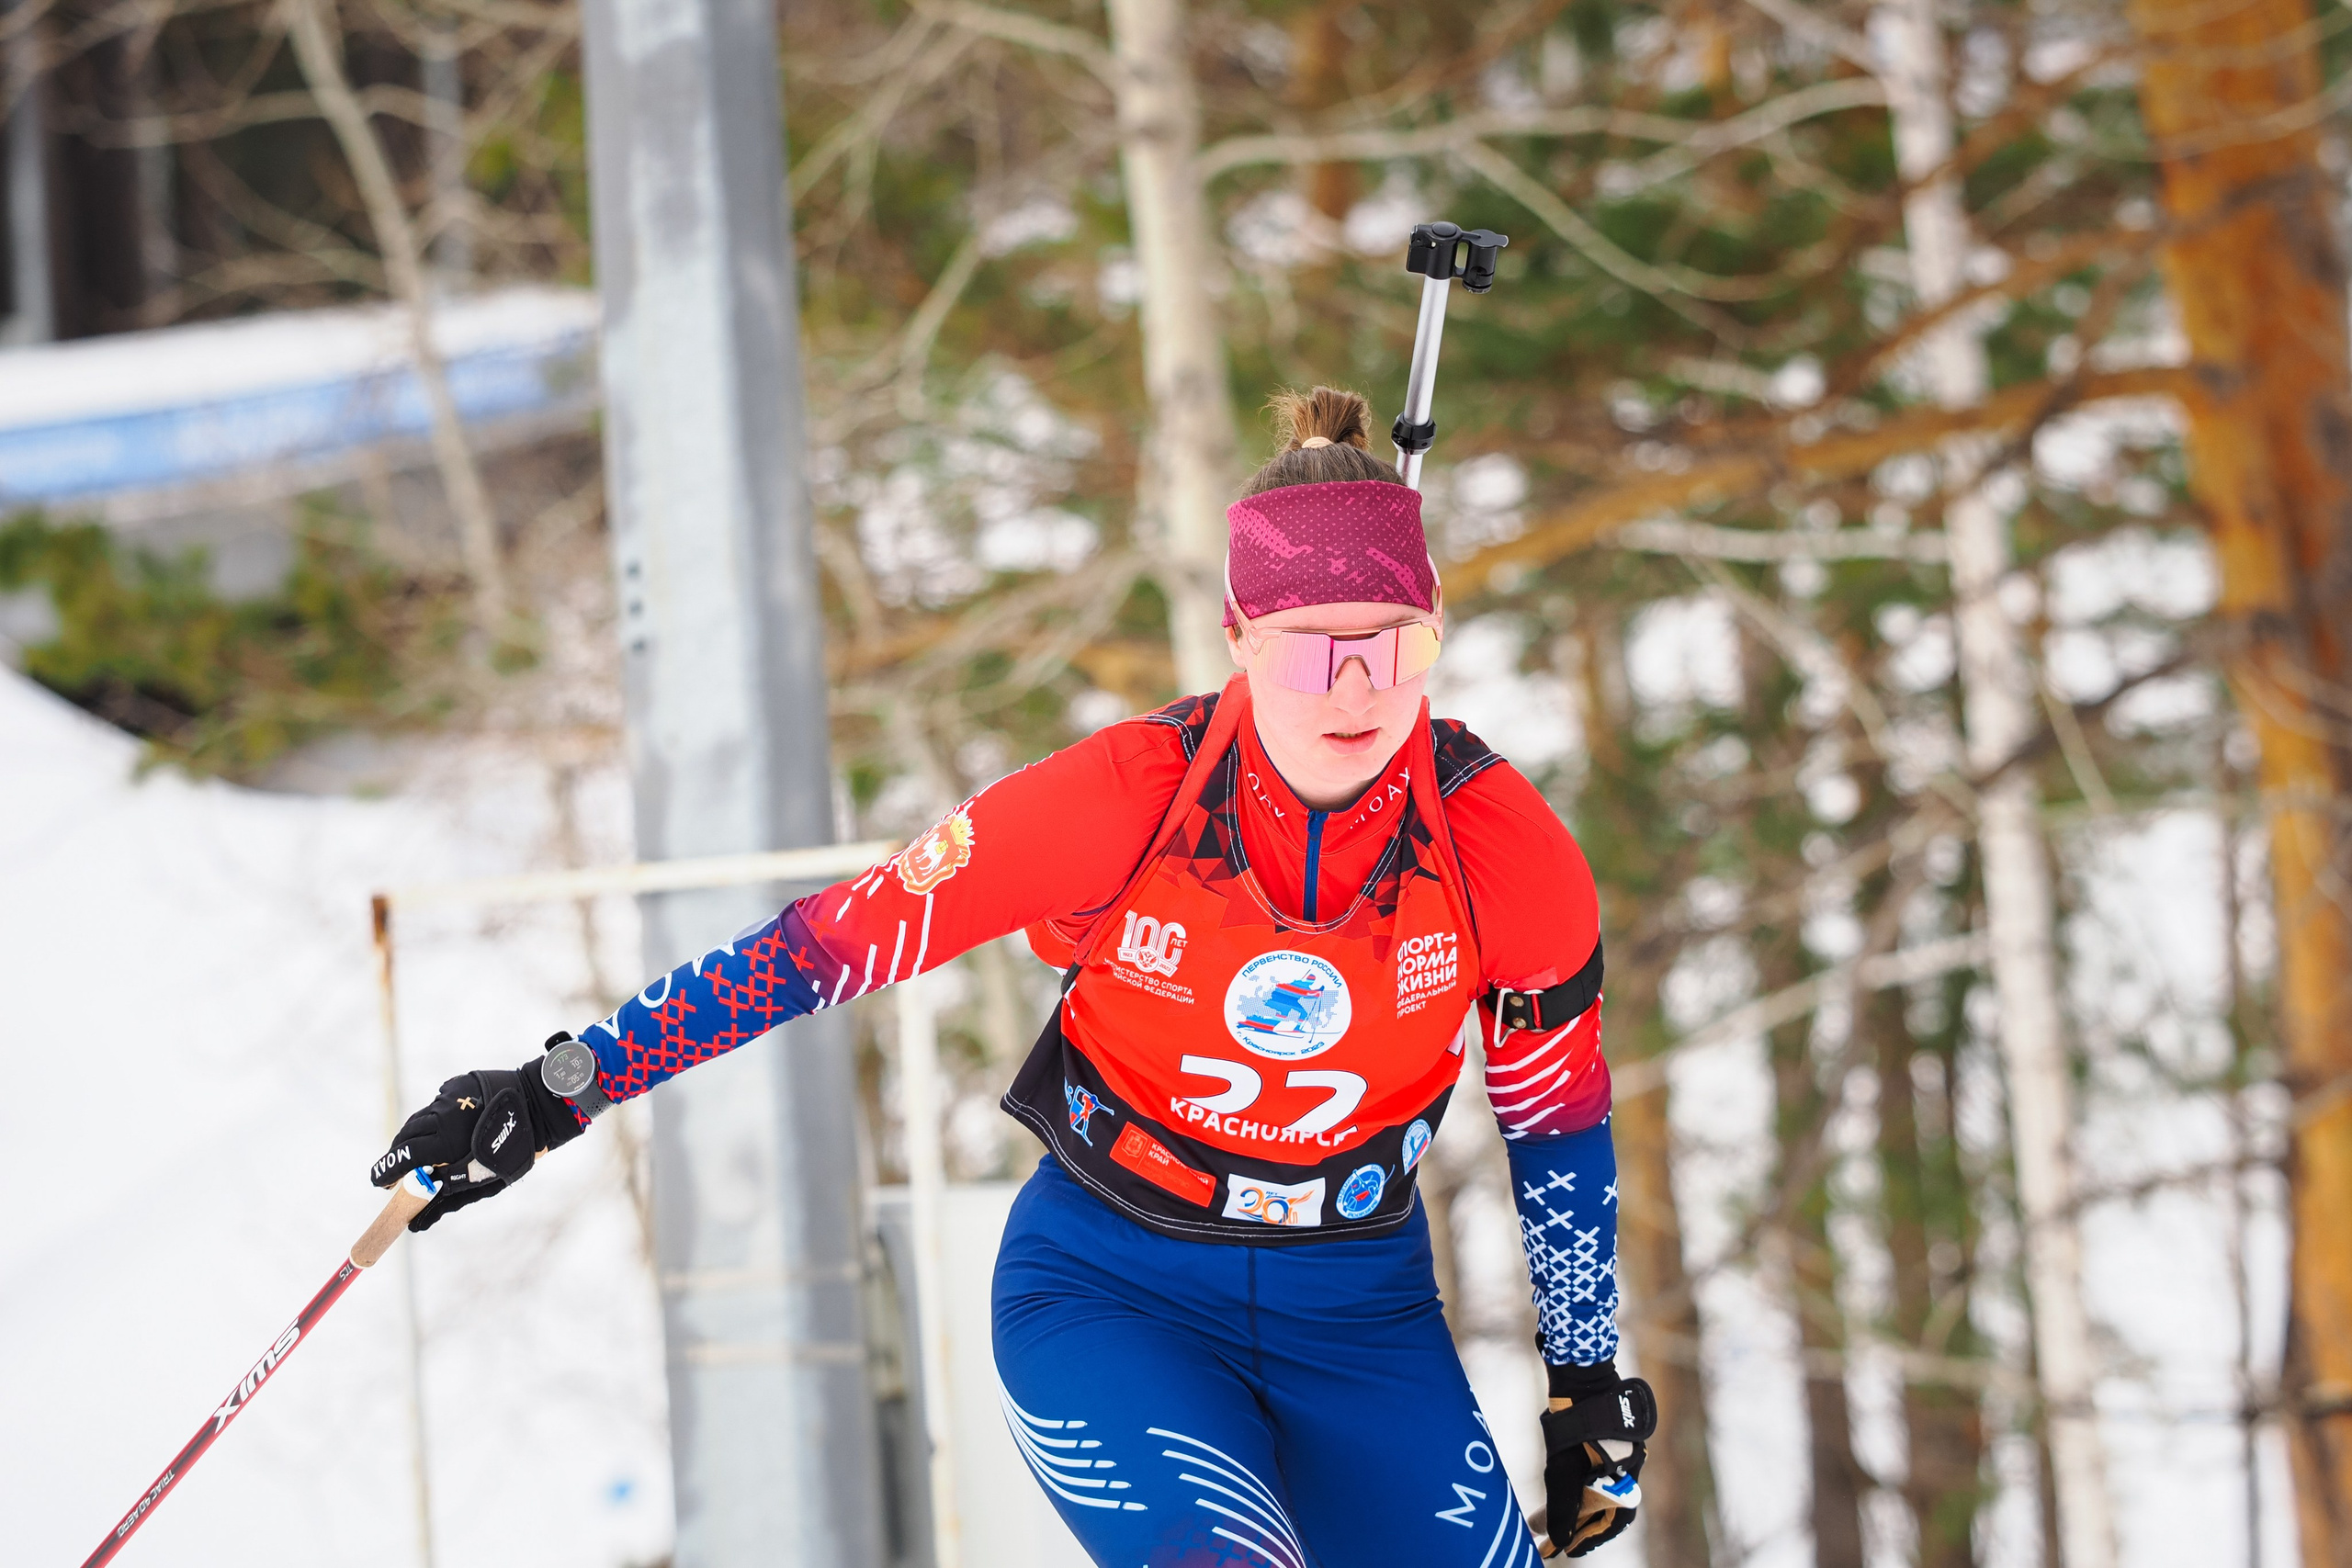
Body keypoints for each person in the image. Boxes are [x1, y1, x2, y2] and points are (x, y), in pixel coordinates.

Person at [371, 386, 1657, 1564]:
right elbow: (828, 945)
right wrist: (564, 1086)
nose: (1363, 687)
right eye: (1319, 647)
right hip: (1116, 1289)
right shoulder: (1127, 797)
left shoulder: (1502, 849)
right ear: (1241, 641)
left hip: (1358, 1310)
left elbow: (1555, 1120)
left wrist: (1582, 1380)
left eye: (1399, 643)